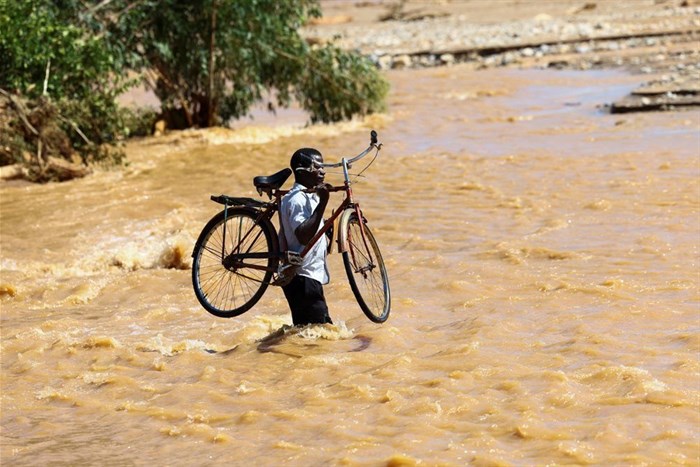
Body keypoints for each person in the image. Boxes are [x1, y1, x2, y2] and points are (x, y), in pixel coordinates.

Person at [278, 147, 333, 326]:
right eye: (317, 166)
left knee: (307, 336)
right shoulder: (296, 199)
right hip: (302, 277)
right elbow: (303, 236)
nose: (322, 171)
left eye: (323, 166)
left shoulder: (310, 197)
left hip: (307, 278)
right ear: (302, 170)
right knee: (320, 334)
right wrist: (323, 202)